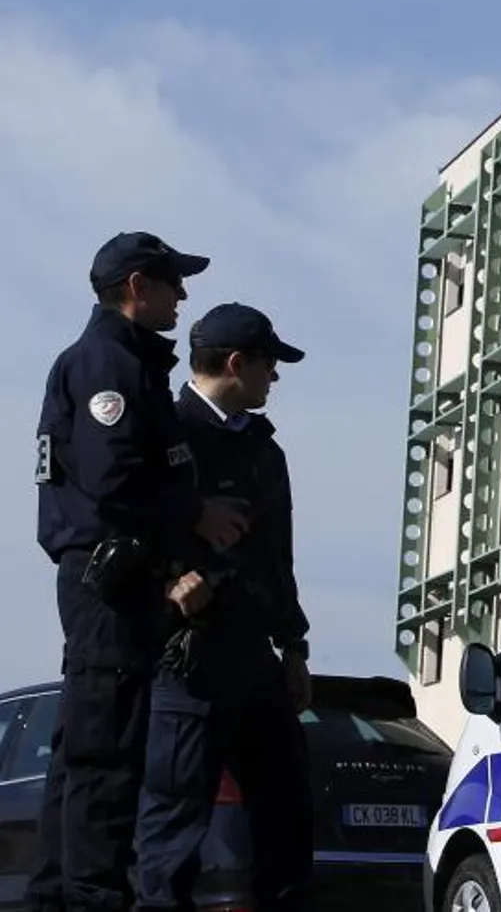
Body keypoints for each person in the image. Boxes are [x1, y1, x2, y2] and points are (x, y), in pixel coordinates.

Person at [31, 232, 249, 912]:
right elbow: (112, 477)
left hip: (118, 577)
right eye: (172, 283)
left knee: (82, 753)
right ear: (136, 287)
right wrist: (196, 511)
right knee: (104, 755)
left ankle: (57, 897)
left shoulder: (126, 364)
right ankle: (89, 898)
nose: (183, 296)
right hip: (110, 582)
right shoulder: (106, 363)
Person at [132, 302, 315, 912]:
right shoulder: (165, 431)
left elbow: (278, 558)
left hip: (255, 658)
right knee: (174, 828)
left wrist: (294, 646)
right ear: (237, 364)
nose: (276, 379)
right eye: (269, 365)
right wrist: (167, 577)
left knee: (287, 820)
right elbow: (118, 517)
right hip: (190, 656)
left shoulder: (266, 450)